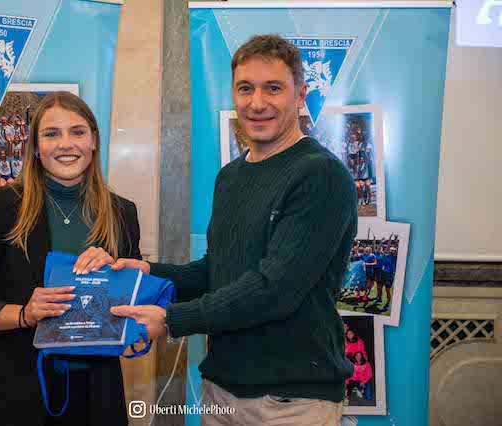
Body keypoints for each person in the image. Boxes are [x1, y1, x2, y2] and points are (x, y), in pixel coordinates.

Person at [78, 35, 357, 425]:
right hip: (222, 391)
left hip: (291, 402)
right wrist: (148, 272)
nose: (256, 102)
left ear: (300, 95)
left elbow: (274, 289)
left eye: (273, 88)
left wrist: (171, 319)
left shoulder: (320, 175)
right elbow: (216, 271)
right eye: (245, 88)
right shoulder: (231, 177)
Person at [0, 92, 141, 426]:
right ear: (36, 148)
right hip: (14, 391)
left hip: (97, 393)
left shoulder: (121, 212)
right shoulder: (5, 205)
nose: (66, 144)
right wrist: (24, 314)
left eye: (77, 132)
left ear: (94, 141)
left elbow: (136, 303)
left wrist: (117, 277)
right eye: (52, 134)